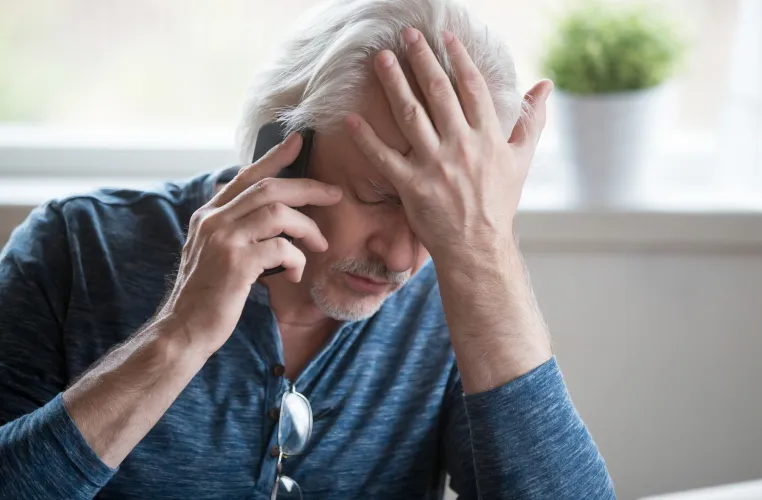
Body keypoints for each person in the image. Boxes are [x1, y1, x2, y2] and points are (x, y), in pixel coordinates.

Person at [0, 0, 615, 498]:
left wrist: (482, 253)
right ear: (281, 147)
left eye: (438, 216)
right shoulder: (74, 248)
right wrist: (178, 338)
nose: (403, 259)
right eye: (380, 196)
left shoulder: (463, 299)